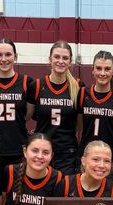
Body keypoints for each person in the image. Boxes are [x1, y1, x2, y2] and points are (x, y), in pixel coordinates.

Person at [28, 40, 80, 174]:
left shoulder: (78, 87)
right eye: (57, 57)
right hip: (42, 151)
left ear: (70, 61)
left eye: (65, 58)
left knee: (64, 192)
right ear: (50, 59)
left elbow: (80, 125)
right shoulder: (37, 85)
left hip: (67, 152)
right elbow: (26, 117)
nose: (61, 61)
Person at [77, 51, 113, 180]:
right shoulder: (83, 93)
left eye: (107, 69)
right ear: (92, 70)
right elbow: (79, 126)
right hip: (88, 156)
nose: (102, 73)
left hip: (111, 159)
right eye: (99, 68)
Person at [0, 38, 32, 168]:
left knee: (16, 188)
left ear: (15, 57)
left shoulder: (27, 82)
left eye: (8, 54)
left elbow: (29, 114)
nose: (3, 59)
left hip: (18, 148)